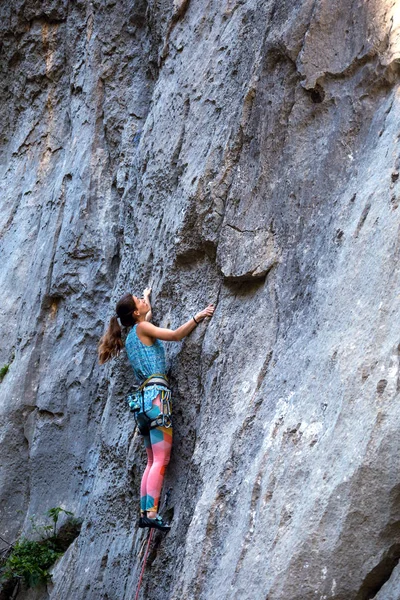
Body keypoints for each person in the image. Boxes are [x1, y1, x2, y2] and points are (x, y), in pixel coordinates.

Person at [98, 288, 215, 531]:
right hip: (157, 399)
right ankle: (151, 512)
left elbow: (146, 314)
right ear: (134, 312)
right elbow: (173, 335)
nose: (142, 302)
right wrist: (199, 316)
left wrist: (147, 297)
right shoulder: (143, 329)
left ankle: (145, 511)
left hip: (143, 403)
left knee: (152, 460)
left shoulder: (132, 335)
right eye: (138, 301)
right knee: (161, 459)